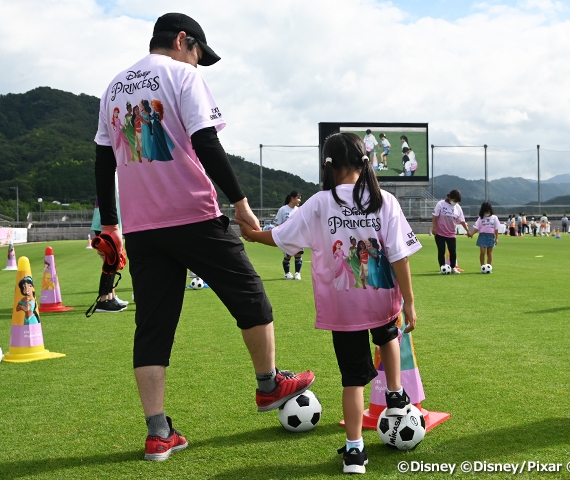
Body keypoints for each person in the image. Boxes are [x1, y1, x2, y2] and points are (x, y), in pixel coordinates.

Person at [94, 13, 314, 461]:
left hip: (141, 227)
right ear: (182, 40)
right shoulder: (181, 76)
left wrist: (111, 225)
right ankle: (269, 385)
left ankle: (158, 433)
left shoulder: (113, 87)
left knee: (153, 326)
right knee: (252, 297)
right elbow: (207, 143)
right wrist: (241, 204)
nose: (198, 64)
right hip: (193, 215)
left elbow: (103, 159)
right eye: (198, 54)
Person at [237, 132, 420, 474]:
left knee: (352, 380)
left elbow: (281, 237)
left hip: (343, 307)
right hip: (381, 296)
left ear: (328, 165)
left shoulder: (320, 202)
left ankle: (354, 453)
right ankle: (395, 394)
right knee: (389, 335)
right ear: (365, 162)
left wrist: (250, 234)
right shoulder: (384, 200)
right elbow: (400, 257)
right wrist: (409, 301)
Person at [432, 189, 470, 273]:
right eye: (455, 200)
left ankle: (453, 268)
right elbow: (435, 216)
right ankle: (442, 268)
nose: (455, 202)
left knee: (453, 251)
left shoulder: (457, 207)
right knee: (441, 251)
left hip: (451, 233)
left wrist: (467, 231)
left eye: (457, 201)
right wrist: (434, 228)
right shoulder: (441, 204)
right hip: (440, 233)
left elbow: (462, 220)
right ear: (450, 197)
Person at [273, 190, 303, 280]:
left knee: (298, 254)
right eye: (298, 198)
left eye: (300, 199)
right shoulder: (283, 209)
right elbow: (278, 224)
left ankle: (297, 273)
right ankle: (287, 273)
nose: (299, 200)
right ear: (292, 198)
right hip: (286, 237)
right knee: (288, 255)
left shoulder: (299, 210)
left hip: (298, 236)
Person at [467, 202, 499, 268]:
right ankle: (482, 267)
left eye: (488, 211)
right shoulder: (480, 218)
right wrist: (471, 234)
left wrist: (497, 238)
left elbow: (496, 229)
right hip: (482, 236)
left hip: (491, 236)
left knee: (489, 253)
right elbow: (476, 228)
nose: (487, 212)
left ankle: (489, 267)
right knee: (482, 252)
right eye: (485, 211)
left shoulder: (494, 218)